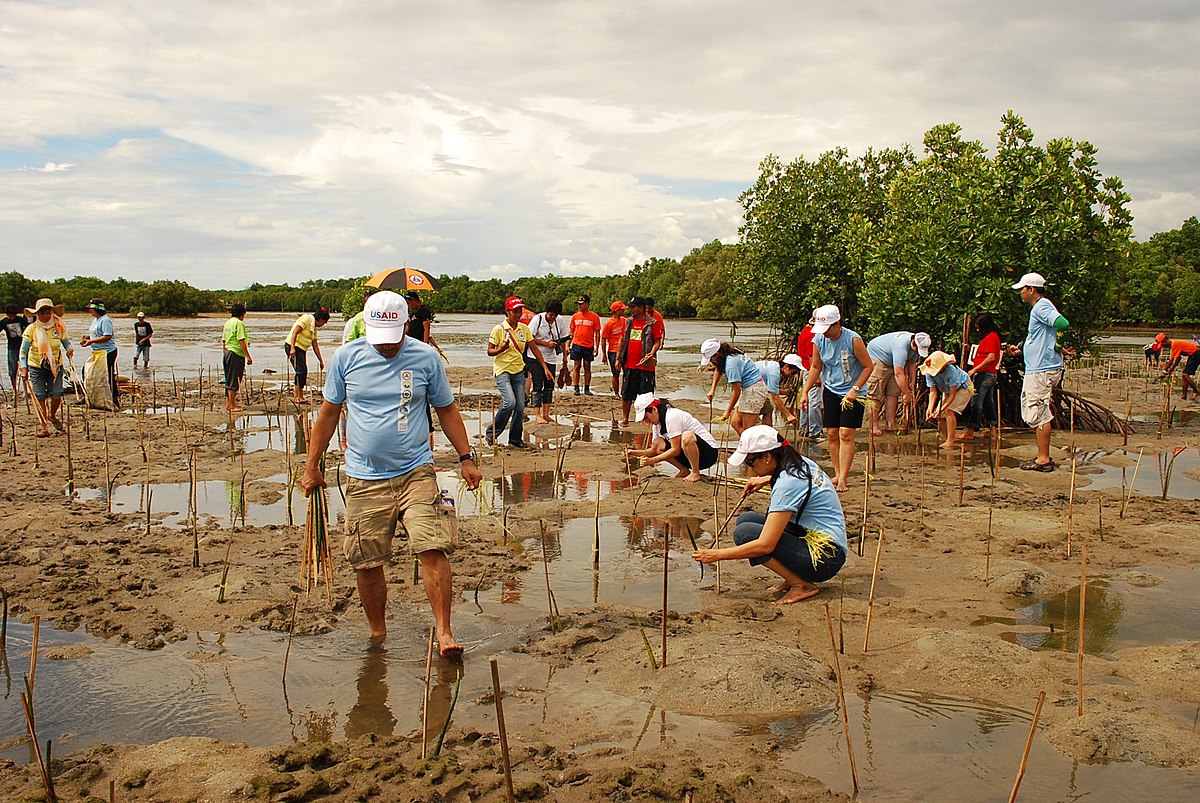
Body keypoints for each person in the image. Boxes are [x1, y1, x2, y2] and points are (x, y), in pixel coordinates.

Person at [301, 291, 482, 655]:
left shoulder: (425, 357)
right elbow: (328, 413)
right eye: (379, 340)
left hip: (416, 470)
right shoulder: (346, 358)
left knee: (433, 547)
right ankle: (377, 634)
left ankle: (445, 633)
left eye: (393, 339)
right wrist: (311, 466)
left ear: (405, 326)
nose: (386, 347)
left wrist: (466, 457)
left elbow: (446, 409)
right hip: (364, 477)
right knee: (367, 561)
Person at [693, 425, 847, 604]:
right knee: (746, 519)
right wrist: (767, 479)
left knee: (745, 534)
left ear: (767, 457)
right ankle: (791, 578)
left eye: (750, 463)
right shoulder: (798, 462)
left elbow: (765, 546)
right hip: (819, 539)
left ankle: (800, 584)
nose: (750, 469)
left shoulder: (788, 483)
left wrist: (716, 555)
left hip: (825, 558)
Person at [799, 304, 872, 493]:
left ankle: (844, 478)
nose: (824, 334)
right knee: (832, 433)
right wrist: (805, 391)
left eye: (827, 329)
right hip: (831, 388)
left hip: (853, 392)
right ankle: (837, 473)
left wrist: (855, 389)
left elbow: (868, 367)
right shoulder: (818, 340)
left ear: (837, 324)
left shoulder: (853, 340)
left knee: (846, 433)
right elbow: (816, 367)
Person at [1006, 272, 1070, 472]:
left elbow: (1062, 324)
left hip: (1042, 370)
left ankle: (1044, 460)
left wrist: (1058, 345)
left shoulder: (1041, 306)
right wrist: (1022, 348)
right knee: (1033, 410)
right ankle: (1043, 457)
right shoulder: (1041, 308)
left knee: (1038, 412)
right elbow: (1042, 335)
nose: (1021, 294)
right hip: (1039, 367)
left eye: (1022, 289)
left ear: (1031, 289)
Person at [486, 296, 550, 448]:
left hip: (518, 371)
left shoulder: (524, 329)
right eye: (515, 311)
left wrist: (545, 367)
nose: (518, 313)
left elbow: (534, 349)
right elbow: (489, 351)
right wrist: (501, 349)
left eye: (520, 310)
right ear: (507, 312)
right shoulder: (499, 329)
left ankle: (515, 439)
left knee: (520, 406)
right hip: (503, 370)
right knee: (510, 402)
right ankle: (492, 433)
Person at [627, 392, 720, 482]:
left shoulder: (672, 416)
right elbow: (655, 450)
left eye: (646, 417)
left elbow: (675, 450)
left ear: (654, 409)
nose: (647, 422)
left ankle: (695, 473)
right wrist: (634, 453)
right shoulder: (657, 425)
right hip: (688, 455)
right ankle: (684, 470)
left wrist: (651, 461)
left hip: (708, 454)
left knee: (687, 437)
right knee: (657, 443)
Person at [18, 298, 72, 437]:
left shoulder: (58, 327)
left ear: (52, 312)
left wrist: (69, 349)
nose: (45, 316)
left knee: (57, 394)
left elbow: (66, 342)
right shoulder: (32, 329)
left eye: (47, 312)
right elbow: (23, 351)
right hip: (36, 366)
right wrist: (24, 368)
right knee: (40, 396)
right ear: (37, 314)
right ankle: (44, 427)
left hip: (56, 366)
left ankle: (52, 415)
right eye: (41, 313)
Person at [865, 330, 931, 435]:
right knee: (875, 394)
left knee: (893, 393)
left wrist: (912, 381)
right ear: (913, 342)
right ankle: (874, 425)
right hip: (878, 357)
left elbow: (912, 363)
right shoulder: (901, 347)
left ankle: (890, 423)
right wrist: (906, 393)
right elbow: (899, 373)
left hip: (893, 362)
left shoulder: (913, 347)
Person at [701, 339, 769, 434]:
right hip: (749, 388)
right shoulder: (729, 353)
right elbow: (718, 368)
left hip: (754, 390)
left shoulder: (731, 365)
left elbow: (736, 391)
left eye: (711, 359)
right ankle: (749, 443)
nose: (711, 362)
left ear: (717, 354)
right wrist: (712, 390)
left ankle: (752, 445)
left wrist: (728, 411)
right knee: (735, 422)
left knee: (748, 431)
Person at [617, 297, 663, 426]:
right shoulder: (628, 322)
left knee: (646, 395)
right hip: (629, 364)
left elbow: (657, 341)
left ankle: (645, 419)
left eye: (633, 307)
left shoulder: (652, 323)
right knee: (627, 393)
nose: (631, 310)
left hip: (646, 365)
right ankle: (625, 418)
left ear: (641, 308)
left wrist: (652, 353)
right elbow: (622, 339)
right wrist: (618, 358)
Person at [960, 314, 1002, 441]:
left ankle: (970, 431)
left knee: (976, 402)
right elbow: (984, 353)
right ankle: (993, 431)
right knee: (988, 403)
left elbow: (991, 358)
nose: (977, 330)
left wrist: (974, 370)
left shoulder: (990, 338)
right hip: (991, 374)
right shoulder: (993, 337)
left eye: (979, 328)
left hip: (984, 374)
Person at [528, 300, 570, 424]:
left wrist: (565, 358)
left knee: (549, 385)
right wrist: (546, 343)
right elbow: (529, 338)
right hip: (535, 356)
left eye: (555, 315)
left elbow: (563, 339)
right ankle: (537, 414)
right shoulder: (537, 319)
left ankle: (546, 414)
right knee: (537, 385)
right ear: (546, 312)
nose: (553, 318)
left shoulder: (560, 320)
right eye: (551, 315)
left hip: (551, 357)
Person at [920, 351, 974, 448]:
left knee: (949, 411)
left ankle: (950, 441)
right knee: (938, 415)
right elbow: (933, 392)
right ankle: (947, 438)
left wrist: (941, 408)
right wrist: (930, 408)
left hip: (963, 387)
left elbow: (952, 395)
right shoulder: (929, 373)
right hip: (947, 390)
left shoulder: (951, 372)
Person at [285, 308, 330, 405]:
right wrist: (292, 348)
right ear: (320, 319)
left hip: (301, 349)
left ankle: (300, 395)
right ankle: (296, 396)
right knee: (301, 370)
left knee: (303, 371)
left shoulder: (313, 328)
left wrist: (321, 360)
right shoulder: (307, 319)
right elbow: (295, 332)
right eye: (324, 322)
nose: (323, 324)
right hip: (293, 346)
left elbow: (315, 345)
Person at [79, 297, 118, 406]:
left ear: (97, 309)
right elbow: (97, 334)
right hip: (97, 352)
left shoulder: (105, 320)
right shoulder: (96, 320)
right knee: (87, 372)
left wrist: (91, 341)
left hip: (108, 352)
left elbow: (107, 336)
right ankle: (87, 396)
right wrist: (88, 337)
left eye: (91, 309)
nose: (90, 311)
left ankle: (114, 399)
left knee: (108, 376)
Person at [753, 354, 804, 428]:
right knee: (753, 416)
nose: (792, 376)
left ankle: (767, 432)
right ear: (786, 366)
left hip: (756, 388)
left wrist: (785, 392)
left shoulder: (775, 366)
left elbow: (770, 389)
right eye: (793, 372)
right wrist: (788, 415)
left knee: (768, 409)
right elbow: (775, 397)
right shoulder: (774, 373)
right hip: (751, 389)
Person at [794, 319, 823, 439]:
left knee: (807, 399)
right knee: (814, 401)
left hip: (806, 369)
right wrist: (815, 376)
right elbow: (812, 356)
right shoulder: (813, 333)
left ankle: (804, 428)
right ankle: (815, 431)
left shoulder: (805, 331)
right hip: (812, 369)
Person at [222, 303, 253, 413]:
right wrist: (248, 357)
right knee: (234, 379)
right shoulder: (239, 324)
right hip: (235, 353)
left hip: (227, 352)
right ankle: (232, 405)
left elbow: (224, 341)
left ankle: (228, 403)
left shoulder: (228, 323)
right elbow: (241, 341)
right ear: (243, 314)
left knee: (229, 378)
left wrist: (225, 353)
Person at [569, 294, 602, 396]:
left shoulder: (594, 317)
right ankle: (576, 387)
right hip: (576, 344)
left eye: (581, 304)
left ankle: (587, 388)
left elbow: (597, 333)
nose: (579, 306)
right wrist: (568, 344)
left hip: (588, 345)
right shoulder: (575, 316)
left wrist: (597, 347)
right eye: (578, 304)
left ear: (587, 304)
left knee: (587, 366)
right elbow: (571, 331)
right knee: (576, 366)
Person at [600, 301, 627, 397]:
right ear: (616, 311)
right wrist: (603, 354)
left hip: (625, 350)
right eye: (621, 309)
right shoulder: (608, 324)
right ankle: (616, 394)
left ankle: (625, 392)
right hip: (613, 351)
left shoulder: (625, 320)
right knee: (615, 373)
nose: (624, 310)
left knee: (627, 373)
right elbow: (603, 340)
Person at [4, 304, 30, 397]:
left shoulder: (21, 320)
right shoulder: (4, 322)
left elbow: (29, 328)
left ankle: (26, 389)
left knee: (26, 368)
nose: (11, 318)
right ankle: (14, 390)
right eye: (9, 316)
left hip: (23, 347)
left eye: (13, 316)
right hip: (12, 348)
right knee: (12, 370)